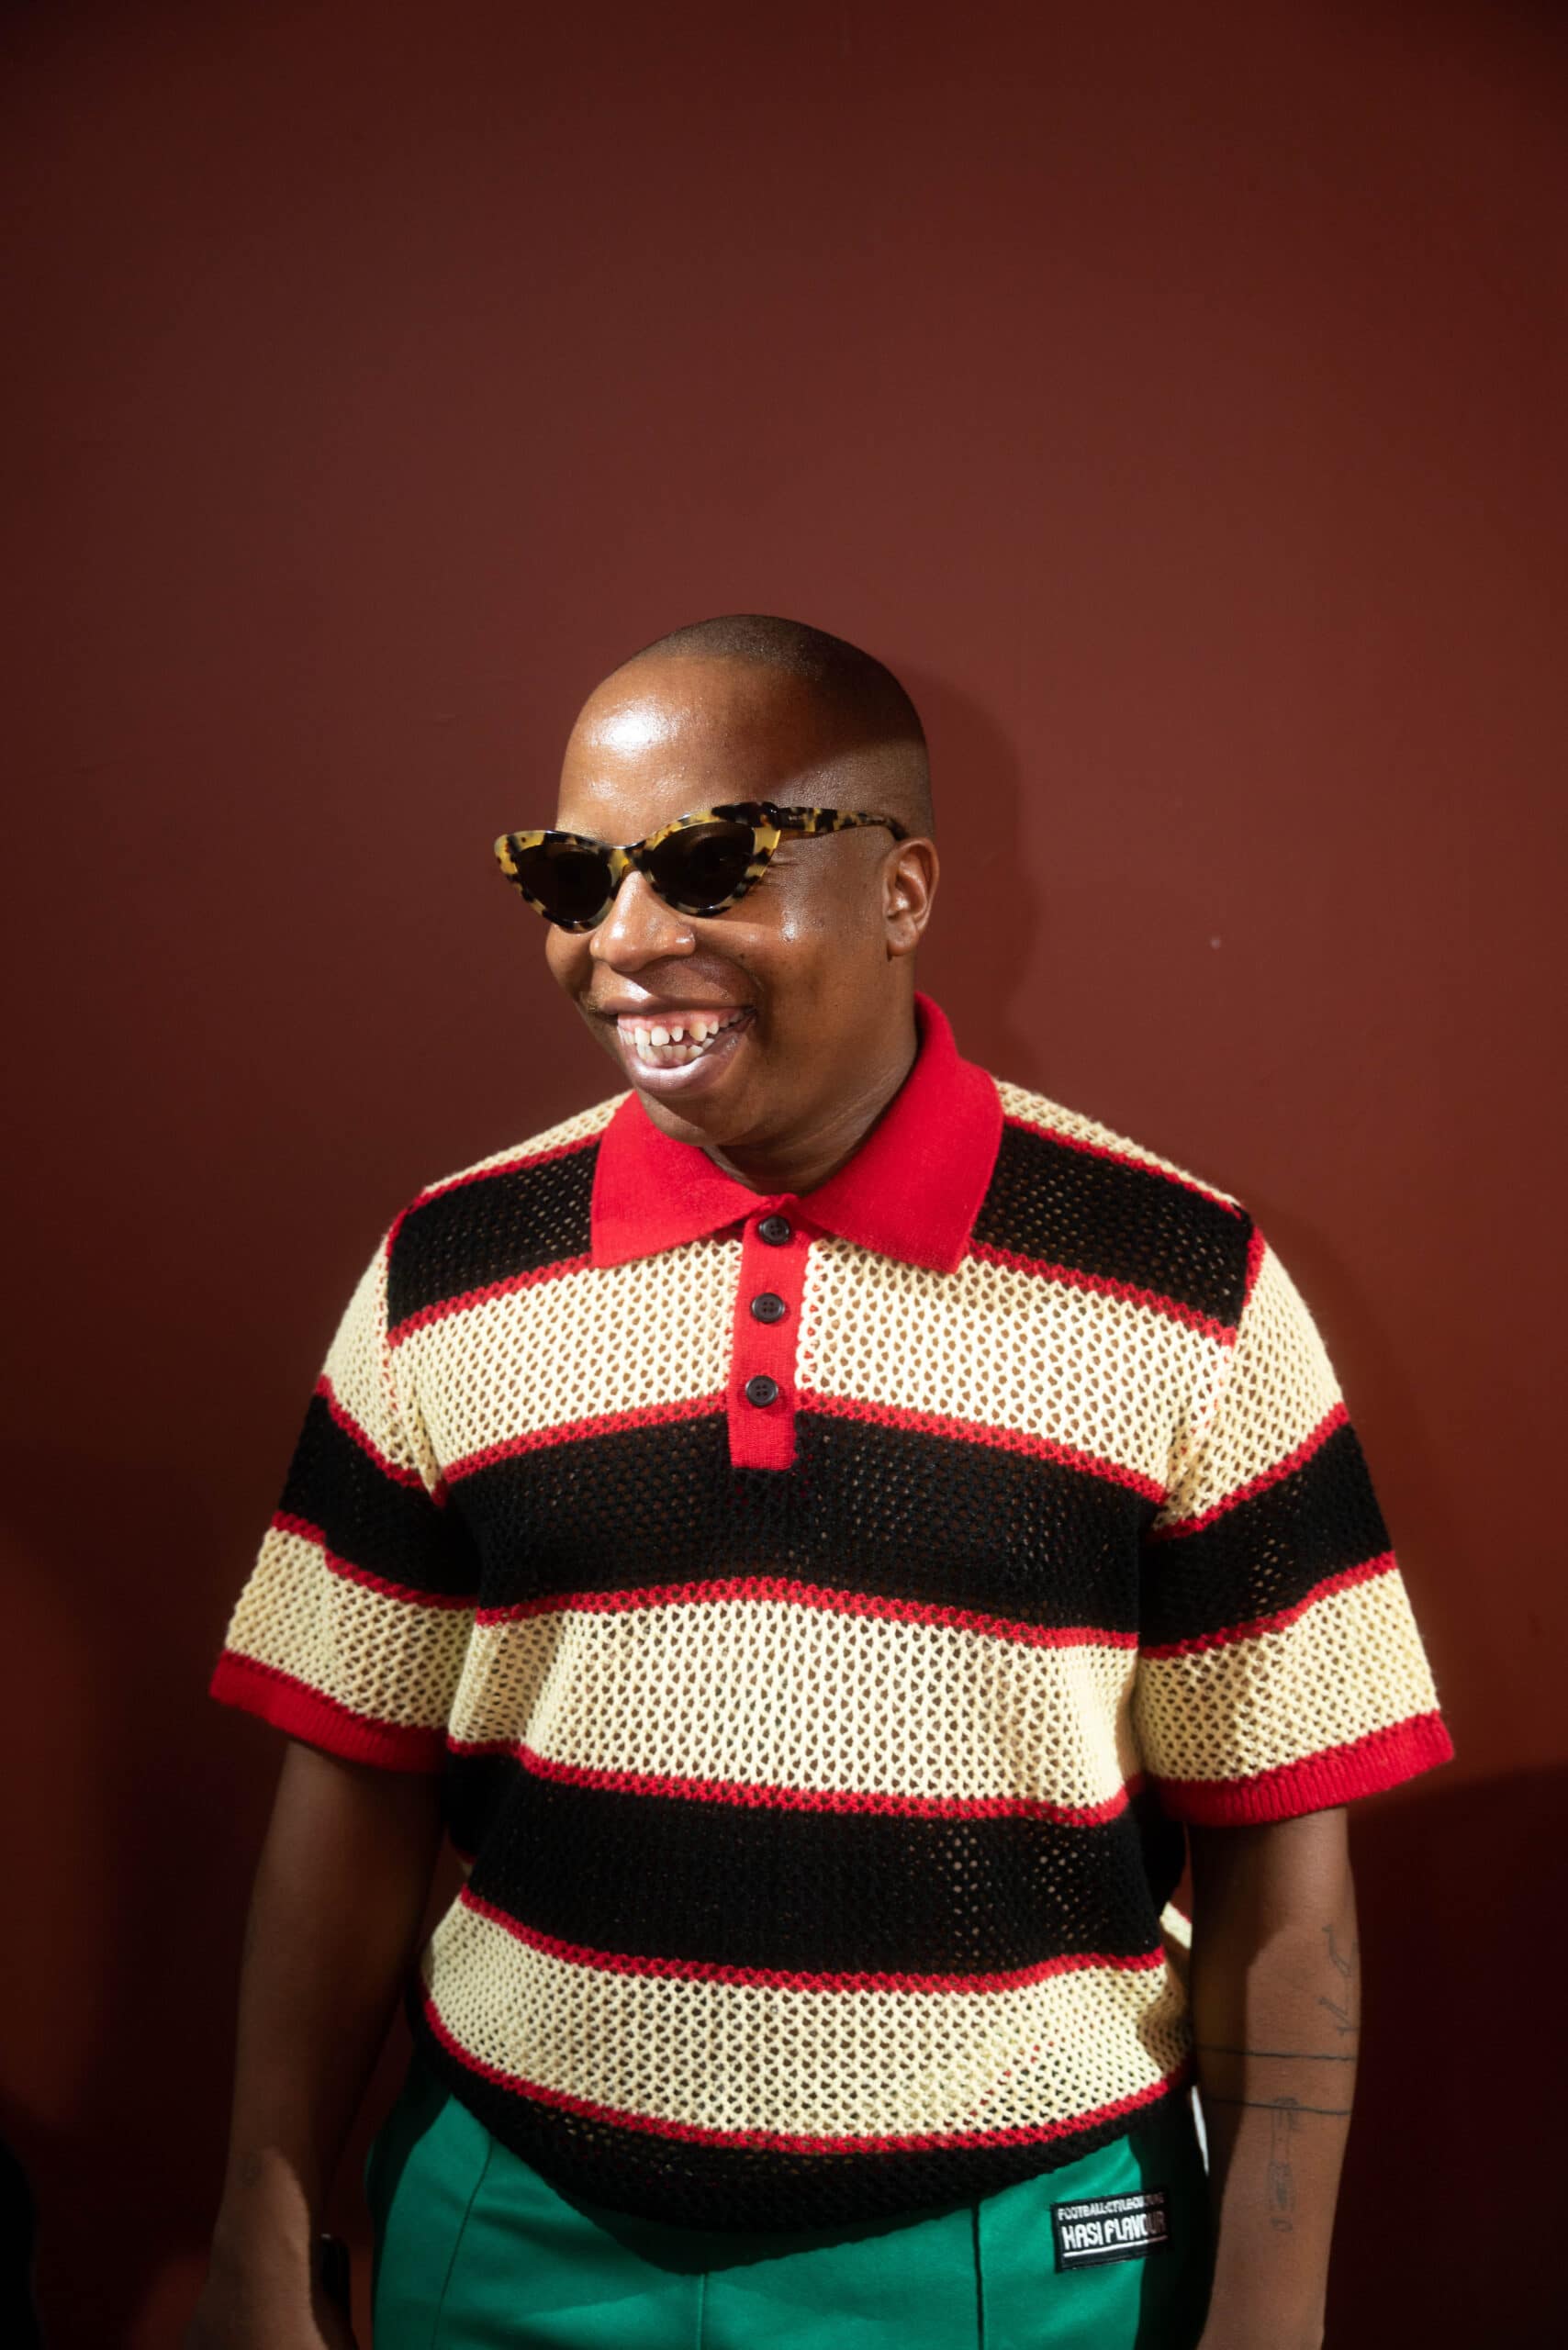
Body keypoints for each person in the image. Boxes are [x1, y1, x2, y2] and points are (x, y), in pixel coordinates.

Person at [188, 615, 1451, 2350]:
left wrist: (1272, 2310)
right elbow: (352, 1782)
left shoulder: (1186, 1283)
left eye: (711, 866)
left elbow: (1282, 1857)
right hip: (505, 2231)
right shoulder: (447, 1268)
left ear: (904, 889)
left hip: (1017, 2267)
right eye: (574, 879)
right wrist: (264, 2220)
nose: (625, 943)